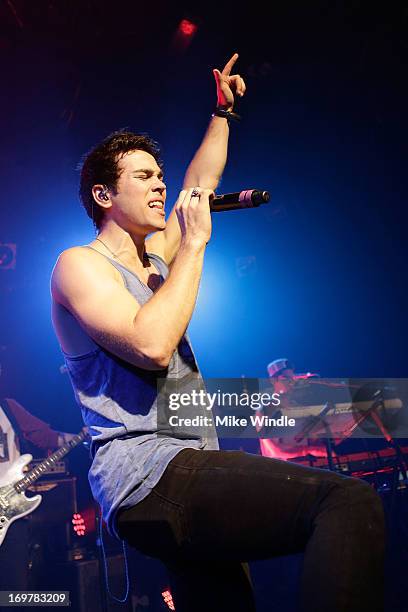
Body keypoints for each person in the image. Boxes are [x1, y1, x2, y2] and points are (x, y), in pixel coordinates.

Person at [51, 54, 385, 612]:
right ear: (105, 197)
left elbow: (200, 183)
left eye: (161, 176)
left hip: (188, 465)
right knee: (346, 503)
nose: (161, 187)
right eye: (144, 177)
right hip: (148, 473)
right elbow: (152, 345)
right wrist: (196, 244)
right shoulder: (78, 265)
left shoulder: (156, 258)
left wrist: (221, 113)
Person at [0, 393, 76, 590]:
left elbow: (45, 436)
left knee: (14, 592)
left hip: (11, 516)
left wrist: (80, 436)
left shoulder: (7, 407)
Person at [257, 358, 332, 460]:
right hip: (282, 472)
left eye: (292, 378)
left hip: (307, 466)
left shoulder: (298, 407)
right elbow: (276, 452)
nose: (291, 382)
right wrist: (310, 450)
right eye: (286, 378)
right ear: (273, 380)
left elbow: (308, 438)